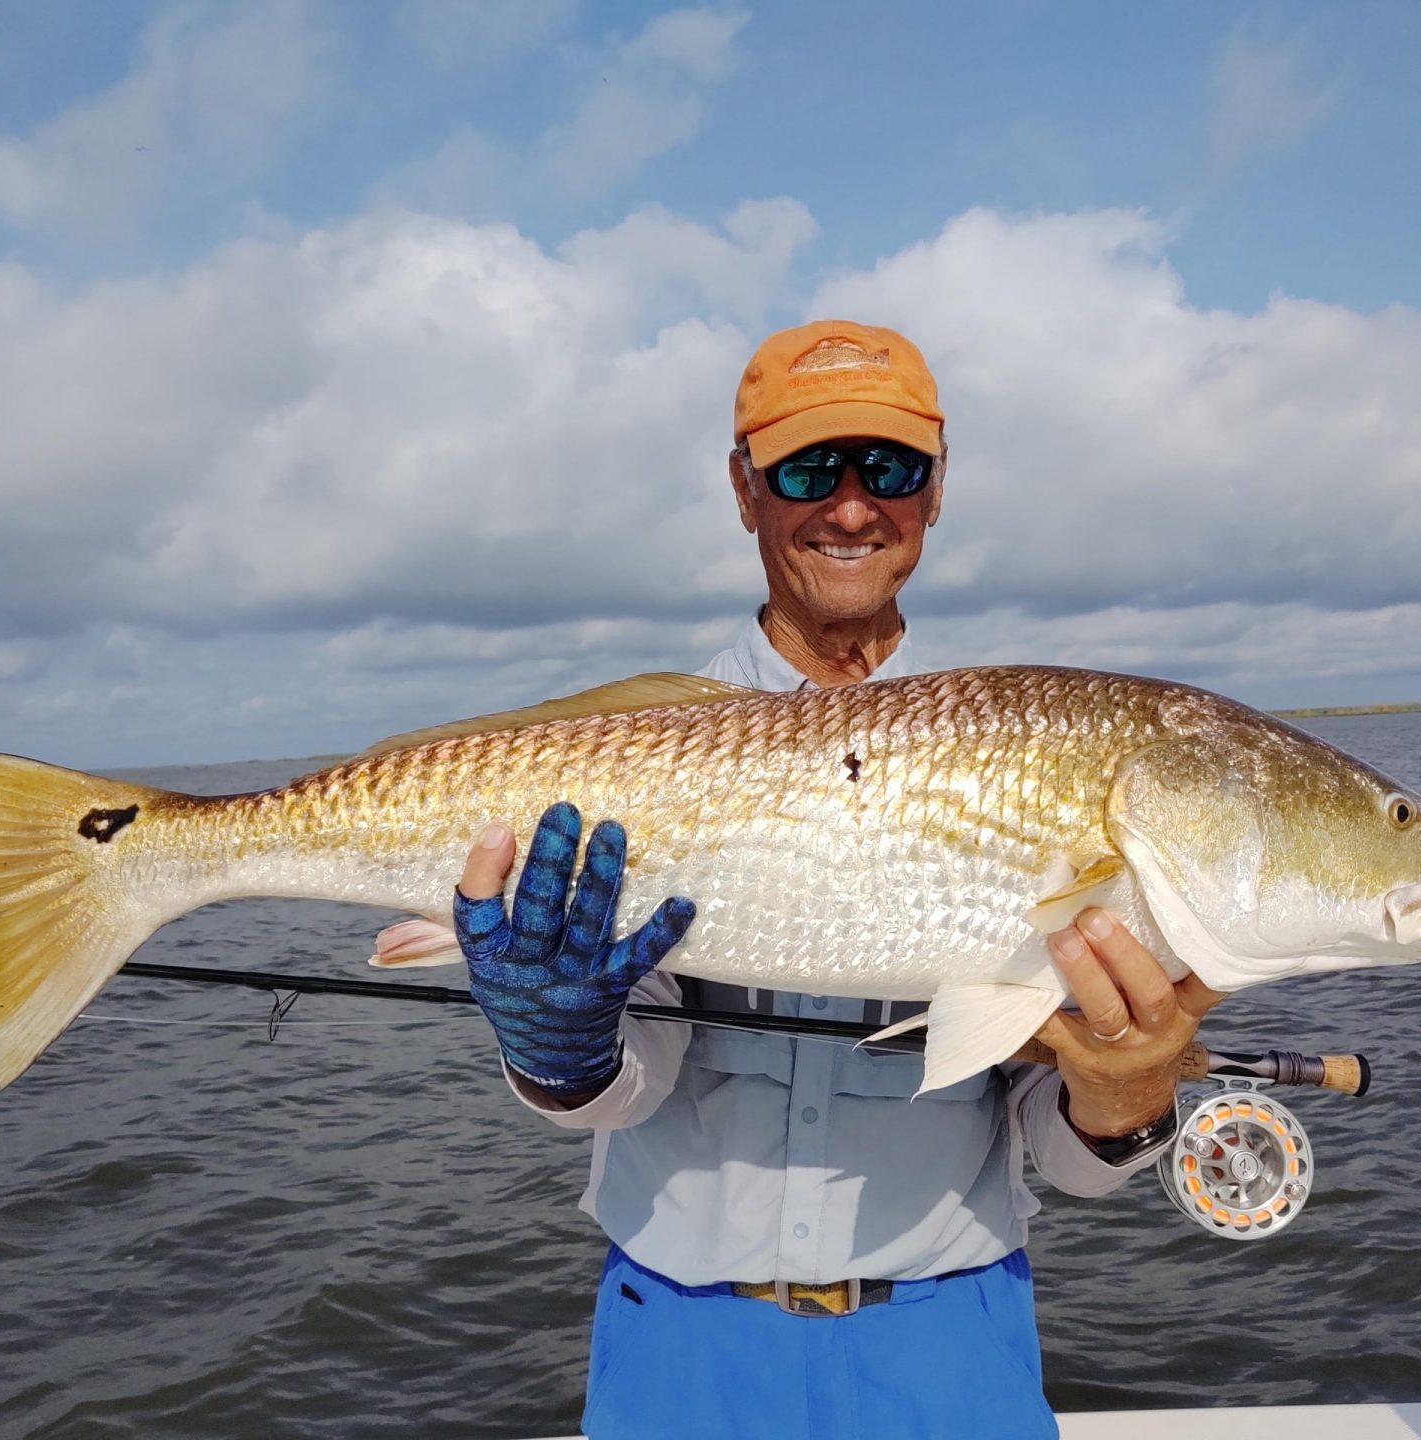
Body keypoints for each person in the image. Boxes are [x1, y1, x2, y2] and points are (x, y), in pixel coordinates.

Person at [446, 321, 1225, 1438]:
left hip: (953, 1340)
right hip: (680, 1339)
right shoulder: (633, 742)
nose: (853, 506)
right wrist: (555, 1049)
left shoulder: (1038, 751)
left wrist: (1126, 1093)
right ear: (743, 488)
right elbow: (632, 1084)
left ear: (938, 489)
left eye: (891, 469)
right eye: (810, 468)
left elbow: (1070, 1162)